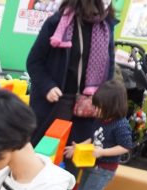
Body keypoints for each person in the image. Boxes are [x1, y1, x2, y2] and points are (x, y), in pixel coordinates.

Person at [25, 0, 117, 158]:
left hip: (88, 107)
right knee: (43, 155)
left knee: (73, 161)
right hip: (57, 103)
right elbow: (34, 62)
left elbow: (109, 68)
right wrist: (47, 86)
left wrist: (103, 99)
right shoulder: (57, 23)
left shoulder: (106, 27)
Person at [65, 79, 133, 190]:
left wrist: (103, 152)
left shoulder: (120, 125)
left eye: (98, 107)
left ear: (111, 107)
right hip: (92, 163)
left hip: (104, 169)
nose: (94, 110)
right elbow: (94, 137)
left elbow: (125, 146)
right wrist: (79, 147)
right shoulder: (100, 119)